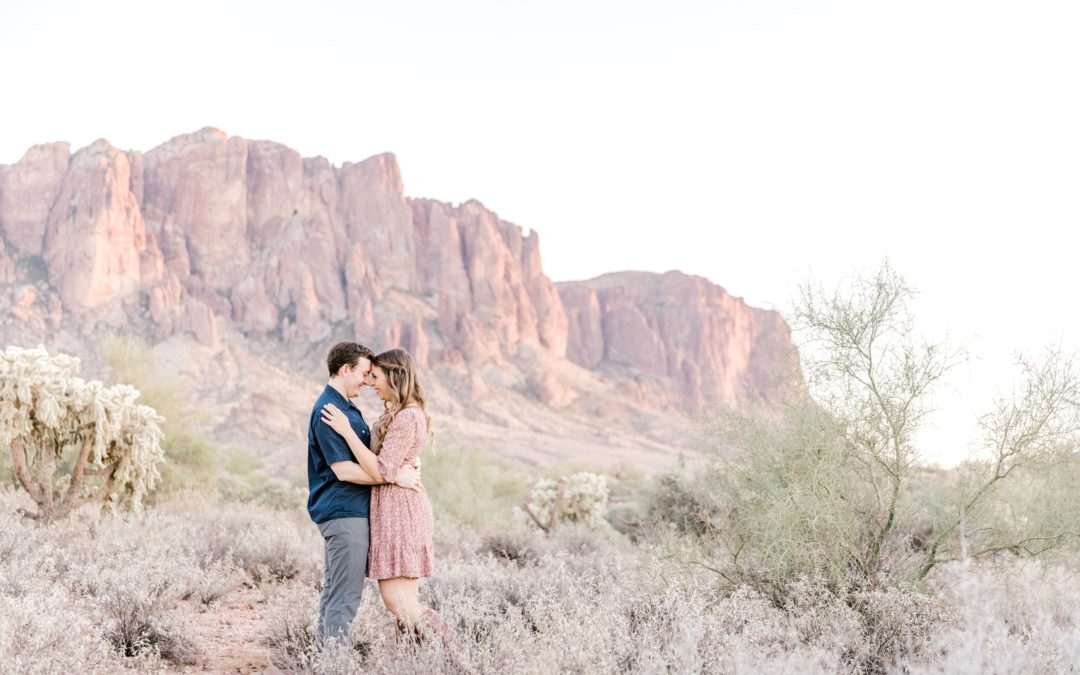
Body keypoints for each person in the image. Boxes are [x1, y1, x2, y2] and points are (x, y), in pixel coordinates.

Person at [320, 347, 449, 642]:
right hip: (394, 507)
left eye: (375, 377)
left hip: (400, 513)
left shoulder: (407, 417)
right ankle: (422, 661)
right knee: (404, 601)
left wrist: (346, 431)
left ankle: (451, 653)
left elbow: (383, 469)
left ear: (395, 376)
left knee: (396, 600)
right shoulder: (403, 414)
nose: (370, 383)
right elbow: (391, 466)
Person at [306, 341, 421, 647]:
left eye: (374, 375)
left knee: (335, 592)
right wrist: (393, 477)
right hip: (344, 513)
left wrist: (400, 464)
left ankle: (325, 660)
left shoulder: (346, 407)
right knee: (344, 598)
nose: (368, 381)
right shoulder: (330, 411)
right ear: (346, 370)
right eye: (365, 373)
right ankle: (333, 664)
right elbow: (343, 470)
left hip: (352, 512)